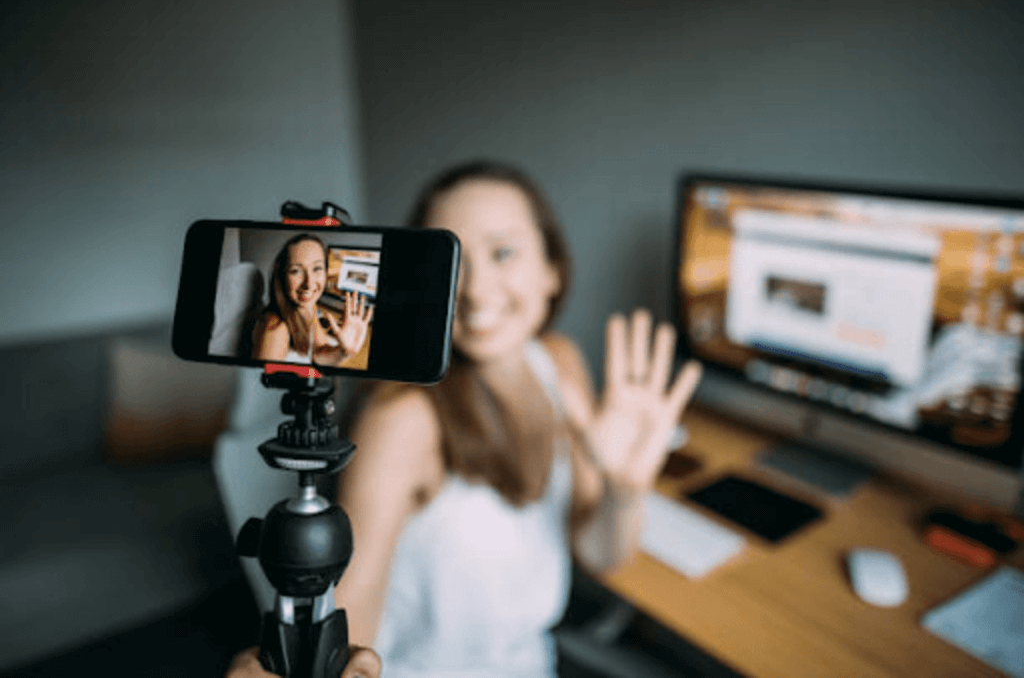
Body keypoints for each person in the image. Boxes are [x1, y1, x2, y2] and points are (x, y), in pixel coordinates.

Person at [227, 160, 701, 678]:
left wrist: (624, 493)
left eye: (503, 252)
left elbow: (602, 555)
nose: (474, 291)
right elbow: (349, 627)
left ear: (552, 270)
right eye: (451, 261)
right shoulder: (403, 418)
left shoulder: (558, 362)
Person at [252, 233, 374, 367]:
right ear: (282, 277)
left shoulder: (308, 307)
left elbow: (319, 353)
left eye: (317, 268)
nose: (309, 284)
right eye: (295, 271)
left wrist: (343, 352)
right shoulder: (275, 330)